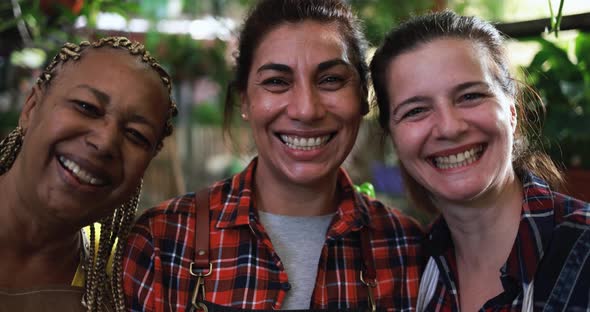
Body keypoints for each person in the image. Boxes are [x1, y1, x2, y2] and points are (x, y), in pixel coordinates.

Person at [123, 0, 424, 311]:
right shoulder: (164, 240)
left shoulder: (406, 248)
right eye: (277, 82)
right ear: (244, 101)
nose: (306, 110)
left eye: (331, 79)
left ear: (363, 96)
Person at [370, 10, 590, 312]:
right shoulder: (404, 267)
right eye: (416, 110)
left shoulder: (583, 249)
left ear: (512, 112)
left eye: (470, 96)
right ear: (394, 137)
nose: (449, 127)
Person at [0, 36, 177, 312]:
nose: (105, 142)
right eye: (86, 107)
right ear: (31, 107)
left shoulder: (127, 281)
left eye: (136, 135)